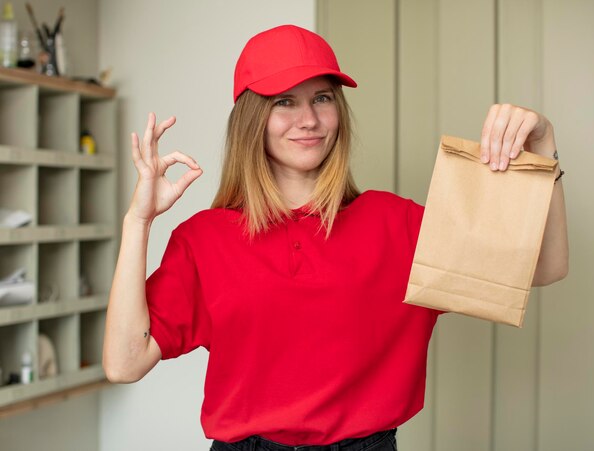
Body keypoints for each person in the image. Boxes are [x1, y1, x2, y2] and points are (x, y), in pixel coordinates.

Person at [103, 24, 568, 451]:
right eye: (284, 101)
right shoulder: (204, 239)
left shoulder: (395, 224)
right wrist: (137, 222)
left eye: (322, 98)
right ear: (251, 118)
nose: (308, 119)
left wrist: (543, 149)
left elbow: (545, 267)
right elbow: (125, 363)